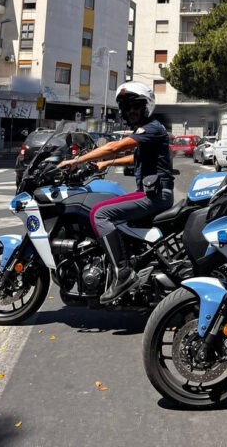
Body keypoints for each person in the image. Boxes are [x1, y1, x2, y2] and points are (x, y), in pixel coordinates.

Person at [59, 81, 174, 304]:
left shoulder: (151, 128)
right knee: (111, 203)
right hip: (154, 194)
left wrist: (77, 160)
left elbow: (115, 146)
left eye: (135, 106)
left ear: (146, 106)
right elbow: (134, 157)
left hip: (155, 196)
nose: (130, 111)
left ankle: (123, 273)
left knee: (99, 214)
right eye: (127, 108)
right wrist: (104, 164)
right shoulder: (149, 131)